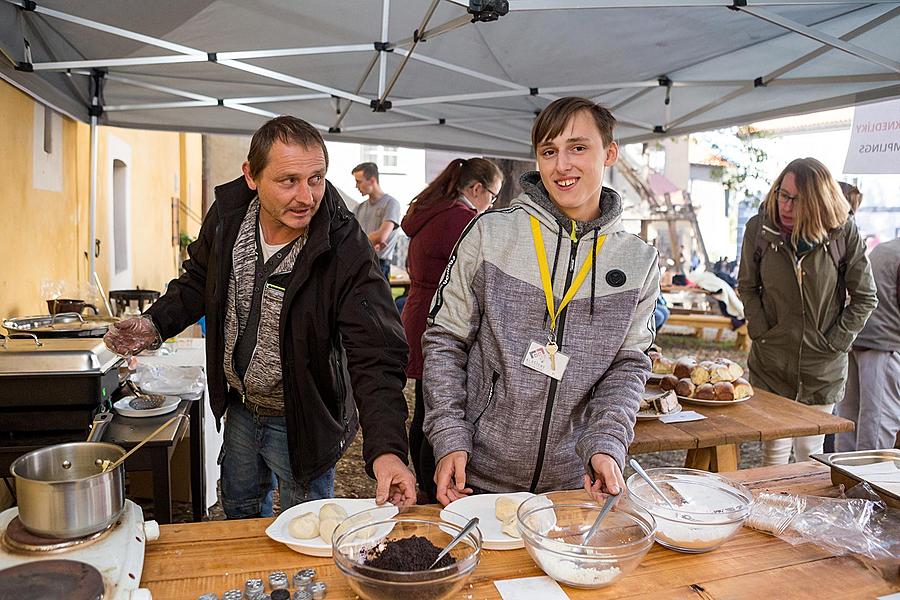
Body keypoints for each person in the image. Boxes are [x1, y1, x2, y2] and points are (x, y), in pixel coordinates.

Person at [105, 116, 416, 518]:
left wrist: (388, 450)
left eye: (316, 179)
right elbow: (200, 280)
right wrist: (155, 323)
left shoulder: (344, 246)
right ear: (251, 175)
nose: (306, 196)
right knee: (240, 513)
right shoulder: (228, 216)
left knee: (305, 525)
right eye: (288, 180)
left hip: (303, 418)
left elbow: (375, 352)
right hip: (240, 408)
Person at [423, 97, 659, 505]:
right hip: (476, 477)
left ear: (610, 153)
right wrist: (448, 436)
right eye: (549, 151)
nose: (561, 165)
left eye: (578, 148)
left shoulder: (638, 260)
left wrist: (606, 443)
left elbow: (629, 365)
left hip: (573, 484)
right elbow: (445, 340)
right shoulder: (491, 234)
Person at [738, 157, 877, 466]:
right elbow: (747, 286)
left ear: (818, 202)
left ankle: (806, 515)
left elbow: (865, 296)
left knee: (810, 453)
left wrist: (834, 343)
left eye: (797, 200)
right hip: (771, 360)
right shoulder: (759, 229)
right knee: (773, 450)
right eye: (782, 195)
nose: (786, 206)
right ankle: (770, 513)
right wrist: (762, 332)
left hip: (822, 365)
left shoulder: (843, 234)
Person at [400, 157, 503, 503]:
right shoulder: (463, 220)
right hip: (442, 318)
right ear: (476, 189)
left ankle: (427, 481)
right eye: (492, 196)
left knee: (424, 406)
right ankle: (433, 485)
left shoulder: (431, 212)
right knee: (439, 407)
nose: (492, 204)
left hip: (417, 312)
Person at [836, 237, 900, 451]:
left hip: (859, 338)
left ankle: (843, 478)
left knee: (850, 418)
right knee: (878, 422)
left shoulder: (886, 248)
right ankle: (869, 480)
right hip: (884, 344)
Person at [352, 162, 402, 280]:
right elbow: (349, 237)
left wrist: (360, 242)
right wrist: (370, 241)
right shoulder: (358, 208)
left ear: (372, 180)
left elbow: (382, 236)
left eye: (359, 181)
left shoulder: (391, 204)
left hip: (379, 265)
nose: (356, 186)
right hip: (359, 262)